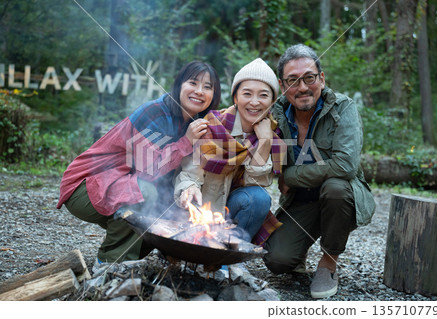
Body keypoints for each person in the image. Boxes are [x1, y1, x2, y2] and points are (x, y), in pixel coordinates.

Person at [56, 61, 221, 266]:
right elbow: (149, 170)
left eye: (208, 87)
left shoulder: (194, 121)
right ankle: (109, 265)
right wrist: (186, 141)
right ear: (179, 85)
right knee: (146, 193)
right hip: (86, 185)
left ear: (214, 95)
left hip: (120, 184)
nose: (199, 91)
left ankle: (132, 257)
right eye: (193, 83)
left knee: (175, 210)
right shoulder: (154, 113)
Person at [263, 44, 376, 299]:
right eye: (293, 80)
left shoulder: (343, 108)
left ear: (321, 79)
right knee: (277, 261)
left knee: (335, 187)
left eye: (309, 78)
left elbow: (345, 166)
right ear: (283, 86)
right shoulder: (275, 113)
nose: (302, 87)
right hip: (300, 200)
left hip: (340, 196)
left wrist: (288, 176)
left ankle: (328, 262)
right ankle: (300, 248)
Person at [174, 58, 285, 242]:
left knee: (260, 198)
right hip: (203, 206)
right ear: (235, 97)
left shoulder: (273, 136)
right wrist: (190, 187)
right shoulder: (212, 126)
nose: (255, 102)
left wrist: (265, 142)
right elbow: (189, 174)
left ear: (273, 101)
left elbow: (255, 185)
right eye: (247, 94)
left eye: (264, 95)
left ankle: (233, 256)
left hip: (232, 213)